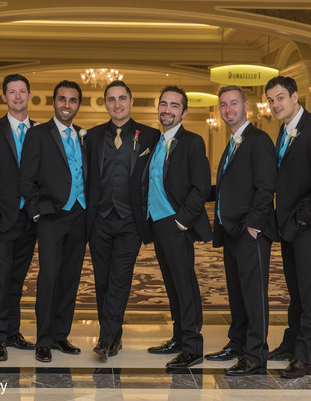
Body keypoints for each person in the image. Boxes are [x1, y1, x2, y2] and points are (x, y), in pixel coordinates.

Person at [264, 76, 311, 378]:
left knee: (310, 292)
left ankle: (305, 357)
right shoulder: (283, 131)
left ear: (295, 97)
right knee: (294, 289)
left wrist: (302, 219)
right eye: (270, 100)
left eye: (280, 98)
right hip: (289, 223)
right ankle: (291, 343)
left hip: (310, 224)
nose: (274, 105)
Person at [204, 86, 277, 375]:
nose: (228, 109)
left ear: (246, 106)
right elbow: (228, 188)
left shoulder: (258, 141)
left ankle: (256, 354)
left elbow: (266, 187)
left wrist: (253, 228)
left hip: (250, 234)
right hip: (230, 230)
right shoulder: (233, 142)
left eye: (234, 103)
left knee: (254, 294)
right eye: (223, 105)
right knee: (236, 293)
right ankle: (237, 343)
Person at [86, 81, 160, 361]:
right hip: (99, 220)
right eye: (111, 100)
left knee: (120, 278)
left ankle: (105, 340)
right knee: (102, 280)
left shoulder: (150, 136)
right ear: (105, 104)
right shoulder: (91, 136)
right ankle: (114, 337)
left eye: (122, 99)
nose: (117, 104)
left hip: (131, 220)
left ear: (131, 101)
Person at [19, 80, 87, 363]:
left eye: (72, 100)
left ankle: (60, 335)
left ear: (78, 105)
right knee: (49, 277)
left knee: (71, 277)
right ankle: (44, 339)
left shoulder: (85, 136)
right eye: (62, 99)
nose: (67, 105)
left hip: (80, 215)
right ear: (54, 102)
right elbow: (27, 176)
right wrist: (36, 212)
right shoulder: (38, 134)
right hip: (50, 216)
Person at [145, 86, 212, 369]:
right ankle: (178, 338)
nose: (167, 110)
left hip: (177, 223)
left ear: (183, 112)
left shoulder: (192, 142)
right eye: (163, 104)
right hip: (157, 224)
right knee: (171, 285)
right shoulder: (156, 141)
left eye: (174, 106)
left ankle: (193, 346)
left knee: (185, 285)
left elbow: (201, 187)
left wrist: (183, 220)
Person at [0, 74, 38, 361]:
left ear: (29, 95)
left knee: (17, 279)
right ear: (4, 97)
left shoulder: (40, 131)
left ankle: (13, 331)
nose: (17, 96)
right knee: (0, 279)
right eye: (11, 92)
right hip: (0, 218)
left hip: (31, 219)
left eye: (22, 91)